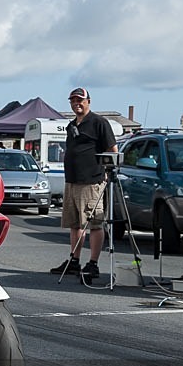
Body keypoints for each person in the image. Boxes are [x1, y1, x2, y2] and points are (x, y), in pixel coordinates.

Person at [50, 87, 118, 278]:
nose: (76, 104)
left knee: (94, 223)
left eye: (80, 100)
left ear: (88, 101)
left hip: (91, 181)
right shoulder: (72, 125)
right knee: (75, 224)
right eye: (73, 101)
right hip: (72, 181)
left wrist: (106, 173)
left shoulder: (99, 123)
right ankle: (74, 260)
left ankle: (93, 263)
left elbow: (112, 149)